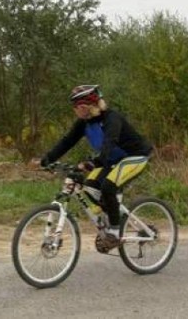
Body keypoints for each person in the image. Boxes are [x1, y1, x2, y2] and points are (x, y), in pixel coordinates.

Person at [38, 85, 153, 252]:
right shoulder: (83, 123)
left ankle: (114, 230)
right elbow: (67, 141)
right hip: (113, 159)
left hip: (135, 156)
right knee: (90, 186)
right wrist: (47, 159)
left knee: (108, 186)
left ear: (88, 106)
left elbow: (109, 143)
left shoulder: (112, 119)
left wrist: (93, 163)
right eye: (75, 107)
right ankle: (112, 215)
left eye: (78, 106)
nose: (75, 110)